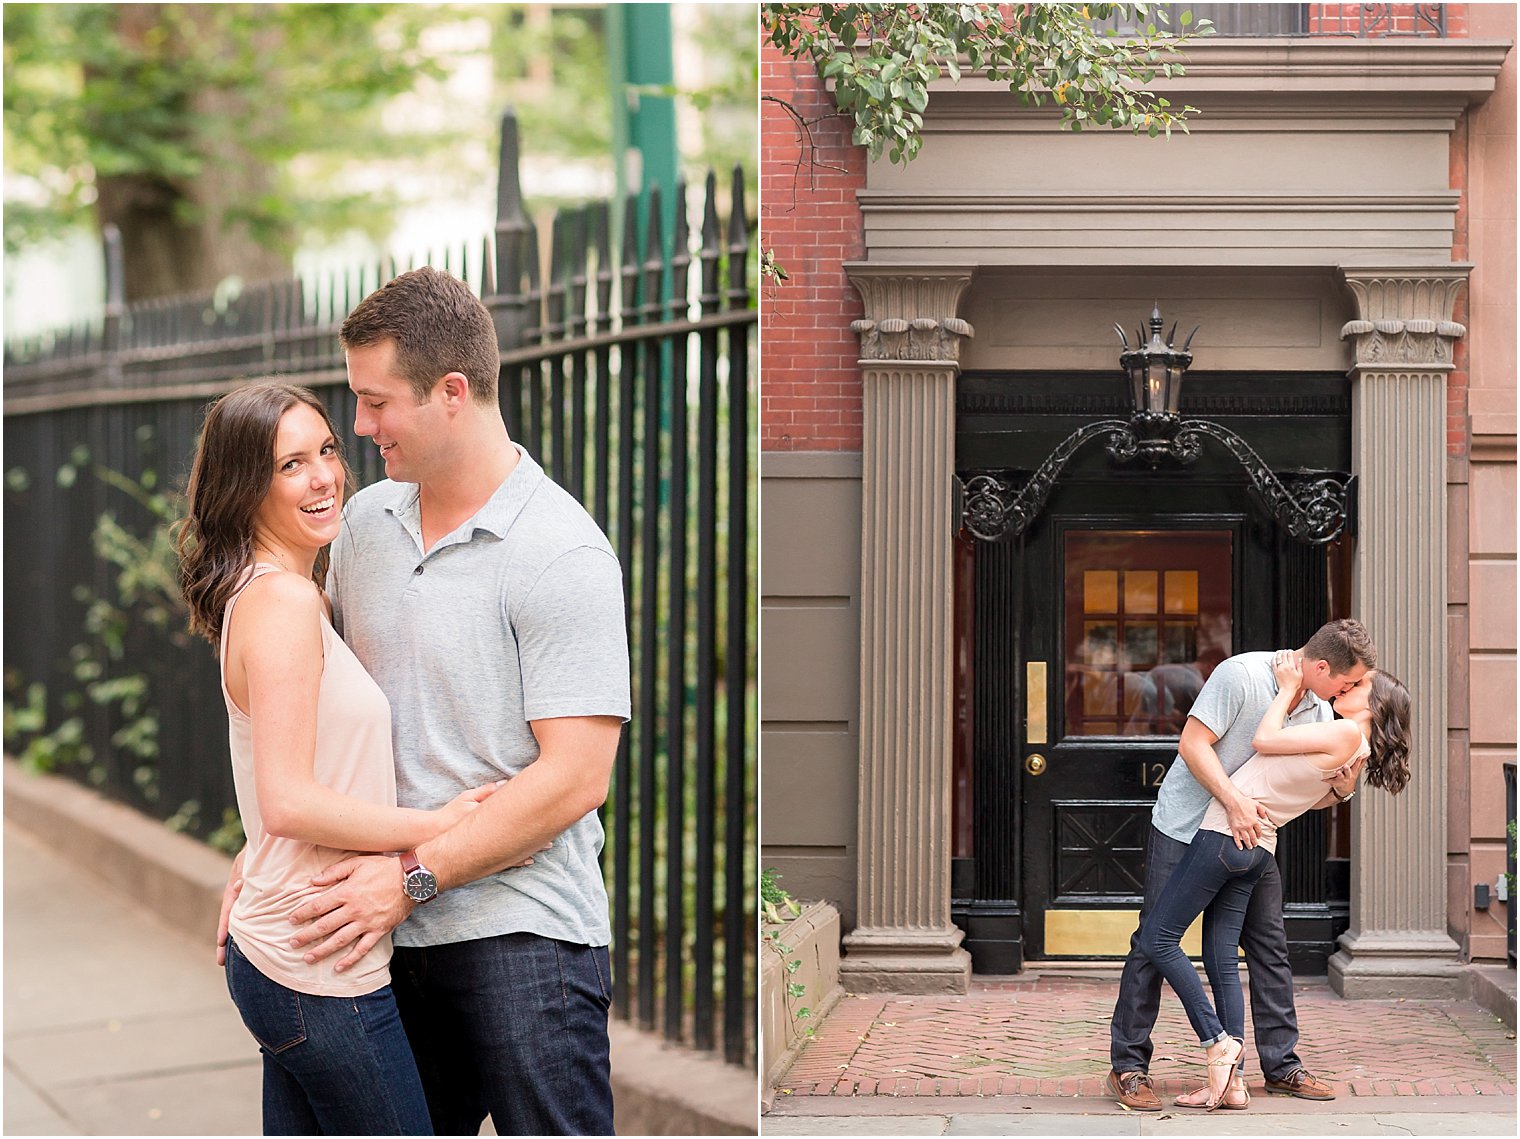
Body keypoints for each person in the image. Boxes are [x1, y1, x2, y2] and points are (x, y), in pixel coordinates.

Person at [247, 266, 630, 1136]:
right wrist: (258, 860)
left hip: (522, 934)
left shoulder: (559, 551)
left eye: (377, 402)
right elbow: (308, 719)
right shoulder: (361, 528)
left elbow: (576, 778)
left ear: (451, 392)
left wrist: (414, 879)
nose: (360, 424)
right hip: (372, 933)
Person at [179, 382, 511, 1135]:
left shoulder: (284, 594)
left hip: (292, 947)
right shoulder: (283, 604)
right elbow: (289, 798)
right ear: (245, 486)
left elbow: (283, 783)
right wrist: (435, 825)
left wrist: (254, 853)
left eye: (326, 449)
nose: (325, 474)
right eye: (290, 464)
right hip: (314, 962)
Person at [1106, 618, 1376, 1112]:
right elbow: (1192, 745)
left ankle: (1281, 1066)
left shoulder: (1321, 710)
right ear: (1320, 666)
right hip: (1186, 825)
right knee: (1154, 941)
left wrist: (1342, 785)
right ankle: (1128, 1067)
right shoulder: (1243, 675)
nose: (1350, 689)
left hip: (1249, 838)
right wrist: (1232, 800)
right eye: (1348, 680)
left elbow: (1305, 790)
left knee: (1269, 945)